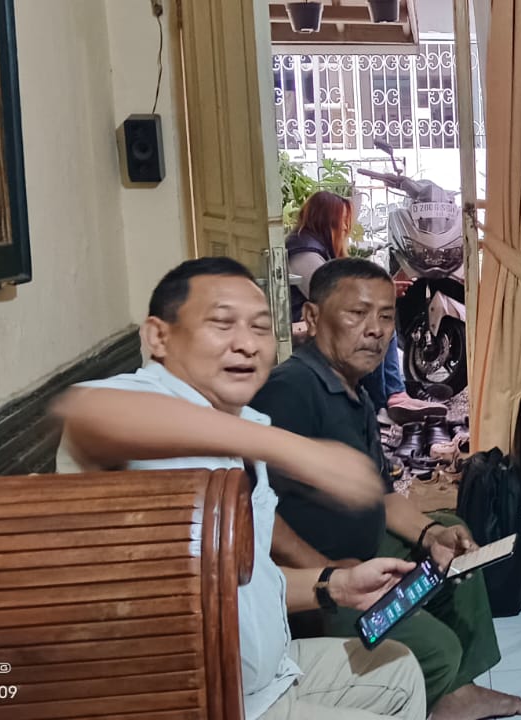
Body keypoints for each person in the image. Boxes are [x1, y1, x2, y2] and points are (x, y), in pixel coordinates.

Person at [54, 257, 428, 720]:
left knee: (398, 669)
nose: (247, 344)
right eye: (222, 323)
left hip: (265, 678)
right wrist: (299, 452)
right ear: (158, 337)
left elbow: (247, 585)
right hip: (196, 698)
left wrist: (336, 585)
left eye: (259, 327)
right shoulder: (145, 400)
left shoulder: (244, 428)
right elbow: (86, 411)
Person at [251, 258, 521, 720]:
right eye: (357, 314)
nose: (376, 330)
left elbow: (382, 495)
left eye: (384, 316)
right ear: (313, 318)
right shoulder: (291, 390)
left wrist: (430, 535)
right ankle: (429, 693)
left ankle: (458, 690)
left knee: (452, 534)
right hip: (315, 576)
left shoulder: (354, 391)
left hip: (360, 549)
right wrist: (328, 575)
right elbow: (259, 511)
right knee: (436, 650)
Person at [286, 190, 442, 425]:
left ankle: (395, 396)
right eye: (342, 220)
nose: (346, 227)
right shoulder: (304, 251)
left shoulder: (311, 245)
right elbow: (329, 298)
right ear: (326, 219)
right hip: (302, 325)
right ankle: (382, 404)